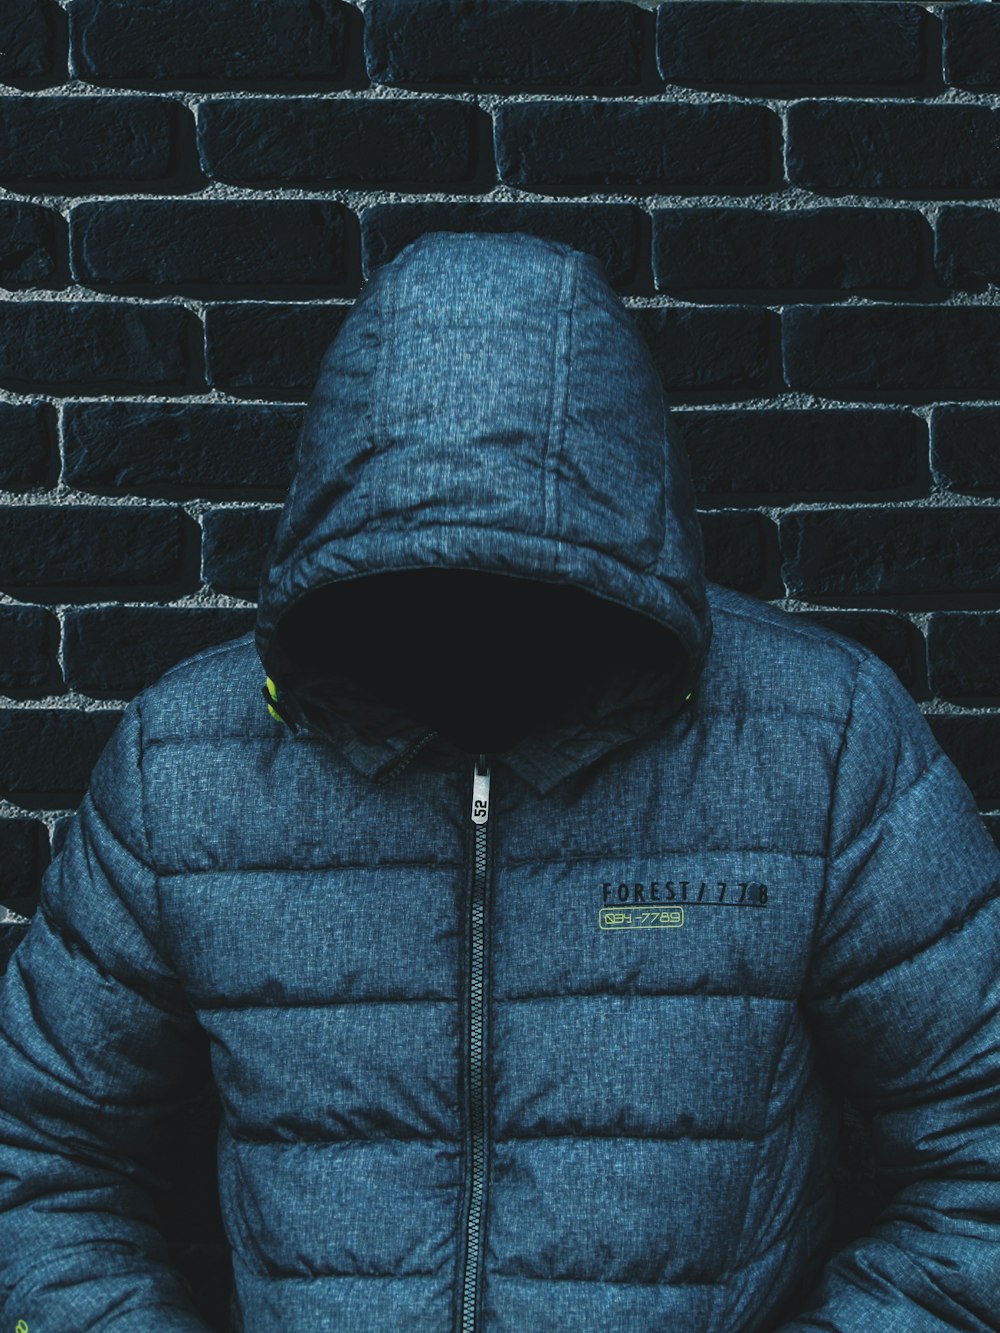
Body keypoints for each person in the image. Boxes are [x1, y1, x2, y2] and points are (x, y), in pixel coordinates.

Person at [0, 229, 997, 1333]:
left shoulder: (819, 745)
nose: (473, 622)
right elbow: (41, 1150)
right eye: (424, 587)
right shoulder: (188, 768)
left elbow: (980, 1152)